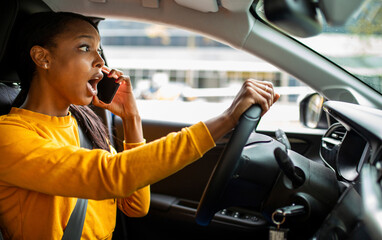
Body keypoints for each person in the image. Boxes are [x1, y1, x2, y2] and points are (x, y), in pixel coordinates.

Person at [0, 12, 279, 239]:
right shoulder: (9, 135)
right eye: (85, 48)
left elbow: (135, 206)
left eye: (99, 50)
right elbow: (109, 175)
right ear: (43, 58)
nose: (100, 61)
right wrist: (227, 119)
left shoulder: (81, 126)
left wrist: (131, 119)